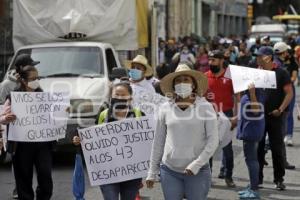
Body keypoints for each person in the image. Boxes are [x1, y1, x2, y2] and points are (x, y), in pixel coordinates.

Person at [146, 63, 218, 200]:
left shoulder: (206, 108)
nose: (182, 83)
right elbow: (158, 141)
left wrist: (197, 164)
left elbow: (213, 140)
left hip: (198, 172)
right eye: (178, 80)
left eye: (186, 79)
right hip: (169, 170)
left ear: (194, 84)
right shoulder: (165, 108)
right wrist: (152, 171)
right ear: (173, 86)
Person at [73, 82, 144, 200]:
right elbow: (93, 137)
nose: (119, 98)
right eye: (117, 94)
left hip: (132, 173)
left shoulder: (139, 115)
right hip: (108, 171)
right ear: (111, 97)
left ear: (130, 98)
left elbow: (146, 143)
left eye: (123, 95)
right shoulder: (103, 115)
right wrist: (80, 140)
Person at [0, 64, 54, 200]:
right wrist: (6, 118)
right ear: (24, 81)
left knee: (45, 175)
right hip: (21, 145)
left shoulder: (44, 96)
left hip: (42, 144)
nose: (37, 81)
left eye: (38, 78)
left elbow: (54, 116)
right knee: (23, 177)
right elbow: (2, 118)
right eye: (33, 78)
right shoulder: (13, 97)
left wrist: (63, 112)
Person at [0, 53, 40, 199]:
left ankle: (24, 188)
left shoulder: (35, 84)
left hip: (32, 131)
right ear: (21, 68)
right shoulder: (6, 86)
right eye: (30, 65)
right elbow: (2, 107)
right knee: (18, 161)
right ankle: (19, 187)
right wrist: (6, 119)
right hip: (13, 130)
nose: (33, 68)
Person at [256, 46, 293, 190]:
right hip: (259, 117)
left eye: (260, 56)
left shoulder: (281, 73)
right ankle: (257, 179)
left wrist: (280, 109)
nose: (257, 58)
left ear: (268, 57)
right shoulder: (255, 72)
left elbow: (289, 94)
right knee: (258, 148)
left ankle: (279, 179)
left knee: (277, 149)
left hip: (276, 117)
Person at [205, 49, 238, 188]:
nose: (210, 62)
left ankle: (228, 176)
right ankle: (207, 177)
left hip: (227, 114)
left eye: (213, 60)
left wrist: (236, 116)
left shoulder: (230, 77)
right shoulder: (204, 76)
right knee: (208, 148)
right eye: (209, 60)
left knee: (227, 148)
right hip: (209, 115)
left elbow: (237, 97)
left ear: (221, 61)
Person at [237, 84, 265, 199]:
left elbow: (256, 111)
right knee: (250, 160)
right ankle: (252, 186)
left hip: (251, 132)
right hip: (248, 130)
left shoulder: (255, 93)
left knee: (252, 160)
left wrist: (252, 93)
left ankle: (254, 190)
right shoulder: (249, 93)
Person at [273, 42, 296, 169]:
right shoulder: (280, 67)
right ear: (284, 52)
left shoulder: (271, 64)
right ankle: (282, 161)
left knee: (275, 134)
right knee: (279, 134)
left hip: (274, 103)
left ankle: (264, 154)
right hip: (281, 103)